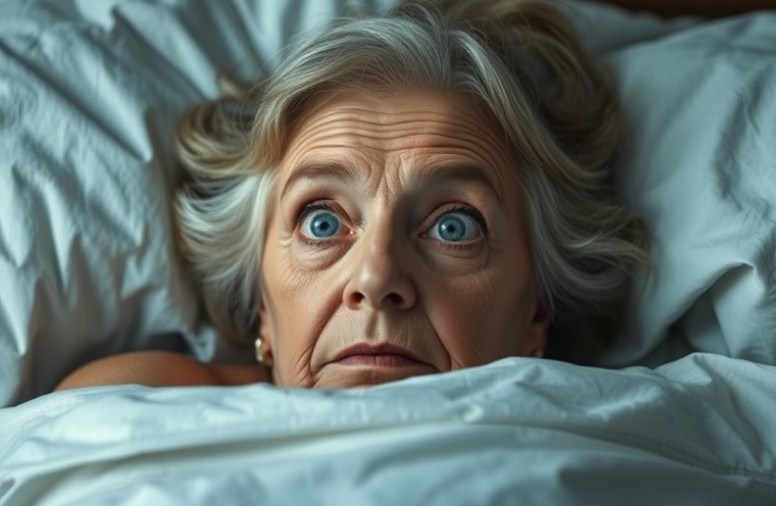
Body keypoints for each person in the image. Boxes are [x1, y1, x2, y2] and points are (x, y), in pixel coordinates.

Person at [57, 0, 648, 391]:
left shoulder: (645, 437)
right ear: (263, 304)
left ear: (535, 314)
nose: (375, 276)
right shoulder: (138, 403)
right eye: (320, 222)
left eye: (453, 227)